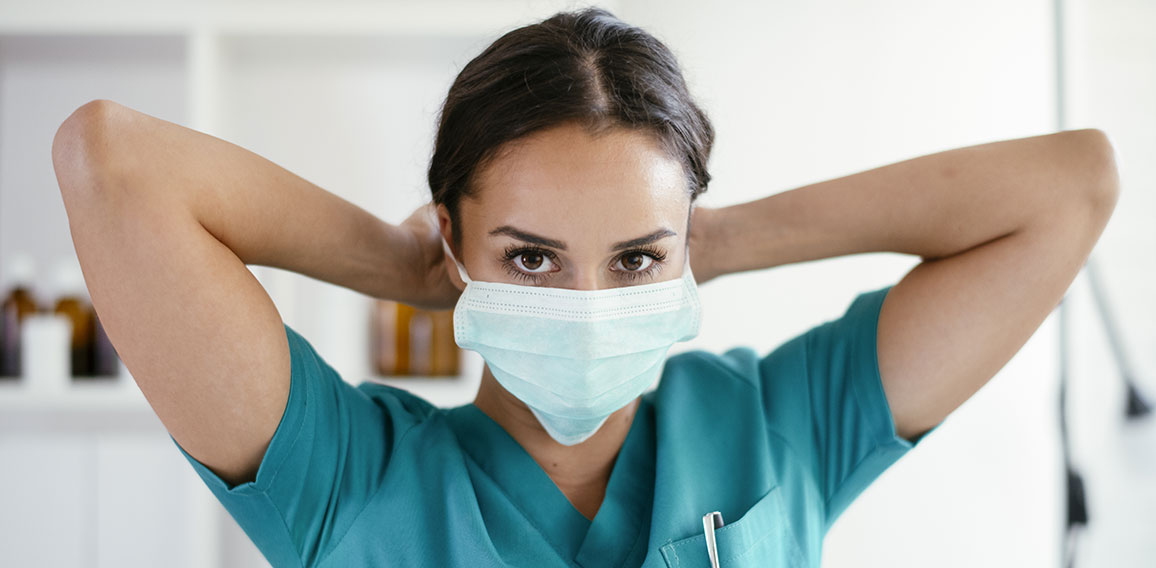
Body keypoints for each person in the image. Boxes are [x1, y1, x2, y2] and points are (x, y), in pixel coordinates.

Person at [50, 7, 1119, 568]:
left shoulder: (777, 428)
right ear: (457, 243)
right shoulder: (343, 481)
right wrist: (396, 262)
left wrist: (725, 238)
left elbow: (1071, 187)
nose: (587, 301)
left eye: (636, 257)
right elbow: (114, 161)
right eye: (529, 257)